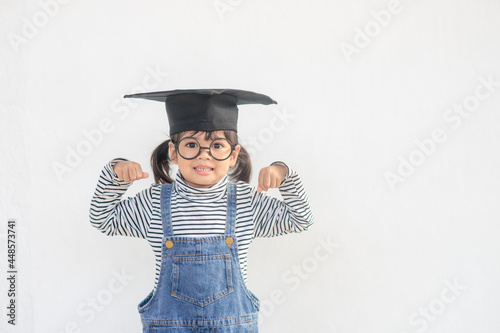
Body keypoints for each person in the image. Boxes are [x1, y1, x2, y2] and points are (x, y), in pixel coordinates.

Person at [89, 89, 314, 332]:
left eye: (217, 145)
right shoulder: (154, 203)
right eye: (191, 145)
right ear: (174, 152)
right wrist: (115, 174)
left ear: (233, 155)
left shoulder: (248, 203)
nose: (204, 156)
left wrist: (284, 174)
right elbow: (103, 218)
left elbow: (301, 219)